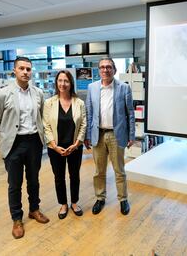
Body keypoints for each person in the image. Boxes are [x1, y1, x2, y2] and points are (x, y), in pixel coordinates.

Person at [0, 56, 49, 239]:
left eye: (28, 69)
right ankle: (16, 218)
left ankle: (34, 209)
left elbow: (41, 117)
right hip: (14, 145)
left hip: (34, 143)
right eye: (21, 68)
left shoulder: (38, 93)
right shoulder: (2, 94)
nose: (25, 72)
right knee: (14, 184)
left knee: (34, 180)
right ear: (14, 70)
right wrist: (6, 137)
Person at [84, 57, 135, 215]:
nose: (105, 70)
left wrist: (131, 135)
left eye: (108, 67)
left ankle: (123, 199)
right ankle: (100, 198)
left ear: (114, 69)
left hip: (116, 134)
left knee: (119, 170)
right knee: (99, 171)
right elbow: (89, 112)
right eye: (102, 67)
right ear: (98, 70)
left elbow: (130, 113)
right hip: (97, 134)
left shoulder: (124, 88)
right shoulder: (92, 87)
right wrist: (86, 135)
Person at [43, 70, 86, 219]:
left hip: (75, 147)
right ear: (56, 82)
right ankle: (63, 204)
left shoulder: (79, 103)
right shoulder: (49, 103)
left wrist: (76, 144)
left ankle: (74, 202)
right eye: (60, 80)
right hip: (55, 148)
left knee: (75, 176)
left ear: (71, 83)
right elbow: (46, 126)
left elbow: (83, 125)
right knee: (59, 177)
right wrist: (54, 146)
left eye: (66, 81)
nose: (63, 84)